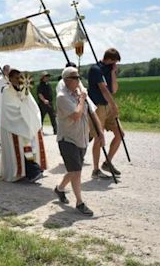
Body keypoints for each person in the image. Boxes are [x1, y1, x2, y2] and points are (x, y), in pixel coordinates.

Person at [54, 67, 105, 216]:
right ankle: (79, 202)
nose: (78, 80)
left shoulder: (80, 92)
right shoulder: (62, 97)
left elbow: (91, 112)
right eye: (74, 78)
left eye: (78, 77)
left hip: (81, 137)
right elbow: (76, 115)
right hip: (67, 138)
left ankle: (60, 188)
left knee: (74, 169)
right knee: (77, 170)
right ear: (66, 80)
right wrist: (82, 99)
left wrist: (100, 132)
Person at [0, 69, 47, 182]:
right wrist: (22, 106)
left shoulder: (24, 89)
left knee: (28, 148)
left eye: (20, 77)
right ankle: (29, 171)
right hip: (13, 125)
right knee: (20, 150)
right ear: (10, 79)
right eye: (15, 78)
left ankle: (33, 170)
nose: (18, 80)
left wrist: (24, 98)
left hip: (25, 123)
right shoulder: (6, 91)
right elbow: (10, 108)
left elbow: (32, 105)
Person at [88, 48, 123, 179]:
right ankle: (96, 170)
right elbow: (103, 89)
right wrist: (114, 105)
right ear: (109, 59)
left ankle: (108, 162)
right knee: (99, 138)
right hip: (97, 107)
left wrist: (113, 73)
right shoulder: (95, 69)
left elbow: (113, 90)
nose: (114, 64)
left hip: (107, 105)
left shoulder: (109, 69)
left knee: (120, 134)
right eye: (114, 62)